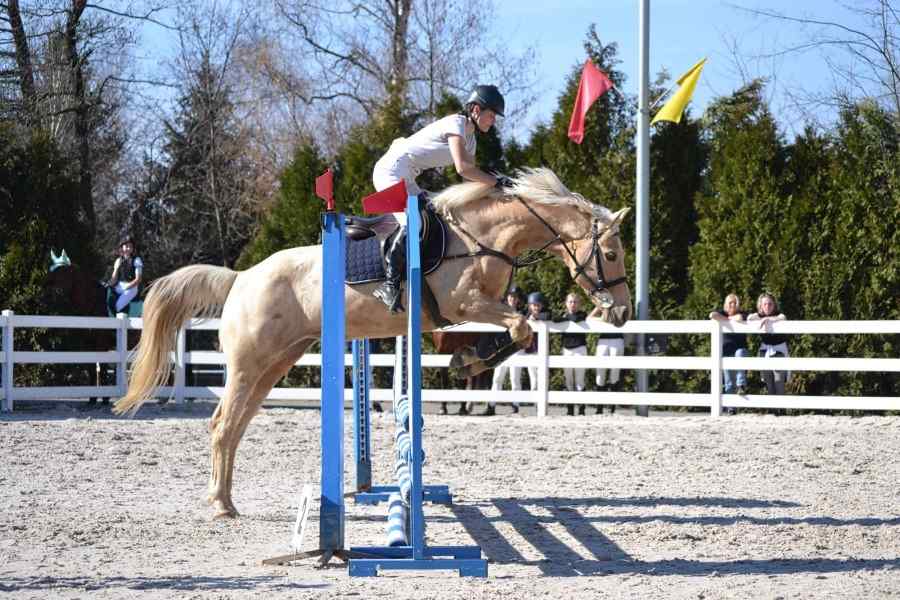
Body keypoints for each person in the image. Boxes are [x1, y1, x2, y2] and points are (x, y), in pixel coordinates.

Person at [371, 84, 512, 313]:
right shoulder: (456, 123)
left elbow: (472, 182)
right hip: (390, 171)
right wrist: (496, 182)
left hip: (407, 178)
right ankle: (390, 283)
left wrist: (499, 191)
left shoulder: (471, 140)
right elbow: (464, 169)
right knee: (413, 222)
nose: (493, 120)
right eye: (491, 114)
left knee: (439, 214)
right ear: (475, 109)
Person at [487, 285, 527, 415]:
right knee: (497, 378)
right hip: (502, 348)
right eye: (511, 296)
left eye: (515, 297)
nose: (513, 299)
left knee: (514, 379)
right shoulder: (501, 312)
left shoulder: (522, 314)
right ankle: (491, 405)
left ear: (518, 300)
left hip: (515, 349)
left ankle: (515, 406)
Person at [709, 293, 749, 411]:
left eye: (735, 302)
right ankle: (731, 408)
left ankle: (741, 384)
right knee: (728, 382)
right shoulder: (722, 313)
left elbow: (740, 318)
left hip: (740, 349)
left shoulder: (743, 313)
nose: (732, 305)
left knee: (740, 354)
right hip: (726, 351)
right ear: (726, 304)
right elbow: (712, 315)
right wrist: (727, 319)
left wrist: (727, 320)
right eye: (730, 302)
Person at [747, 292, 789, 395]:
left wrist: (768, 319)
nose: (767, 306)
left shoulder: (778, 314)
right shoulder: (759, 315)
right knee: (769, 383)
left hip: (779, 351)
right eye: (764, 304)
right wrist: (760, 317)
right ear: (760, 305)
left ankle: (781, 410)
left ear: (774, 305)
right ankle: (772, 410)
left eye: (770, 304)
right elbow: (749, 318)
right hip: (765, 351)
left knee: (779, 382)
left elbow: (783, 318)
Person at [554, 293, 589, 416]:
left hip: (580, 349)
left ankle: (581, 409)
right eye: (570, 302)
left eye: (575, 302)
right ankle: (570, 409)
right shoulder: (562, 315)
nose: (573, 304)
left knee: (579, 380)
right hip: (567, 350)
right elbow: (553, 319)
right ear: (566, 303)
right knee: (568, 380)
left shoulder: (582, 314)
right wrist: (563, 317)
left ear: (579, 304)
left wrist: (565, 318)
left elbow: (575, 319)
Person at [591, 302, 626, 415]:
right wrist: (599, 307)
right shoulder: (604, 304)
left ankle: (612, 407)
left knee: (614, 373)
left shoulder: (622, 304)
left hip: (617, 338)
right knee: (600, 372)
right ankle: (599, 407)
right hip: (603, 339)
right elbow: (589, 318)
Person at [106, 237, 143, 315]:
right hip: (120, 285)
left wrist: (128, 286)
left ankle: (117, 320)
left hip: (132, 286)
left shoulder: (137, 260)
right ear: (122, 247)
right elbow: (114, 278)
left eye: (131, 246)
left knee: (117, 306)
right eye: (126, 246)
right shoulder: (118, 260)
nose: (128, 248)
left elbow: (138, 279)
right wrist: (116, 268)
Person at [524, 291, 550, 395]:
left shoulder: (546, 315)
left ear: (542, 305)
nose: (536, 308)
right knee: (533, 378)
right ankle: (535, 402)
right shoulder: (526, 316)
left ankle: (541, 400)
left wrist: (536, 317)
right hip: (530, 350)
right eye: (534, 305)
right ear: (530, 306)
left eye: (538, 305)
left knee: (542, 377)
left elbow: (549, 316)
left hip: (542, 351)